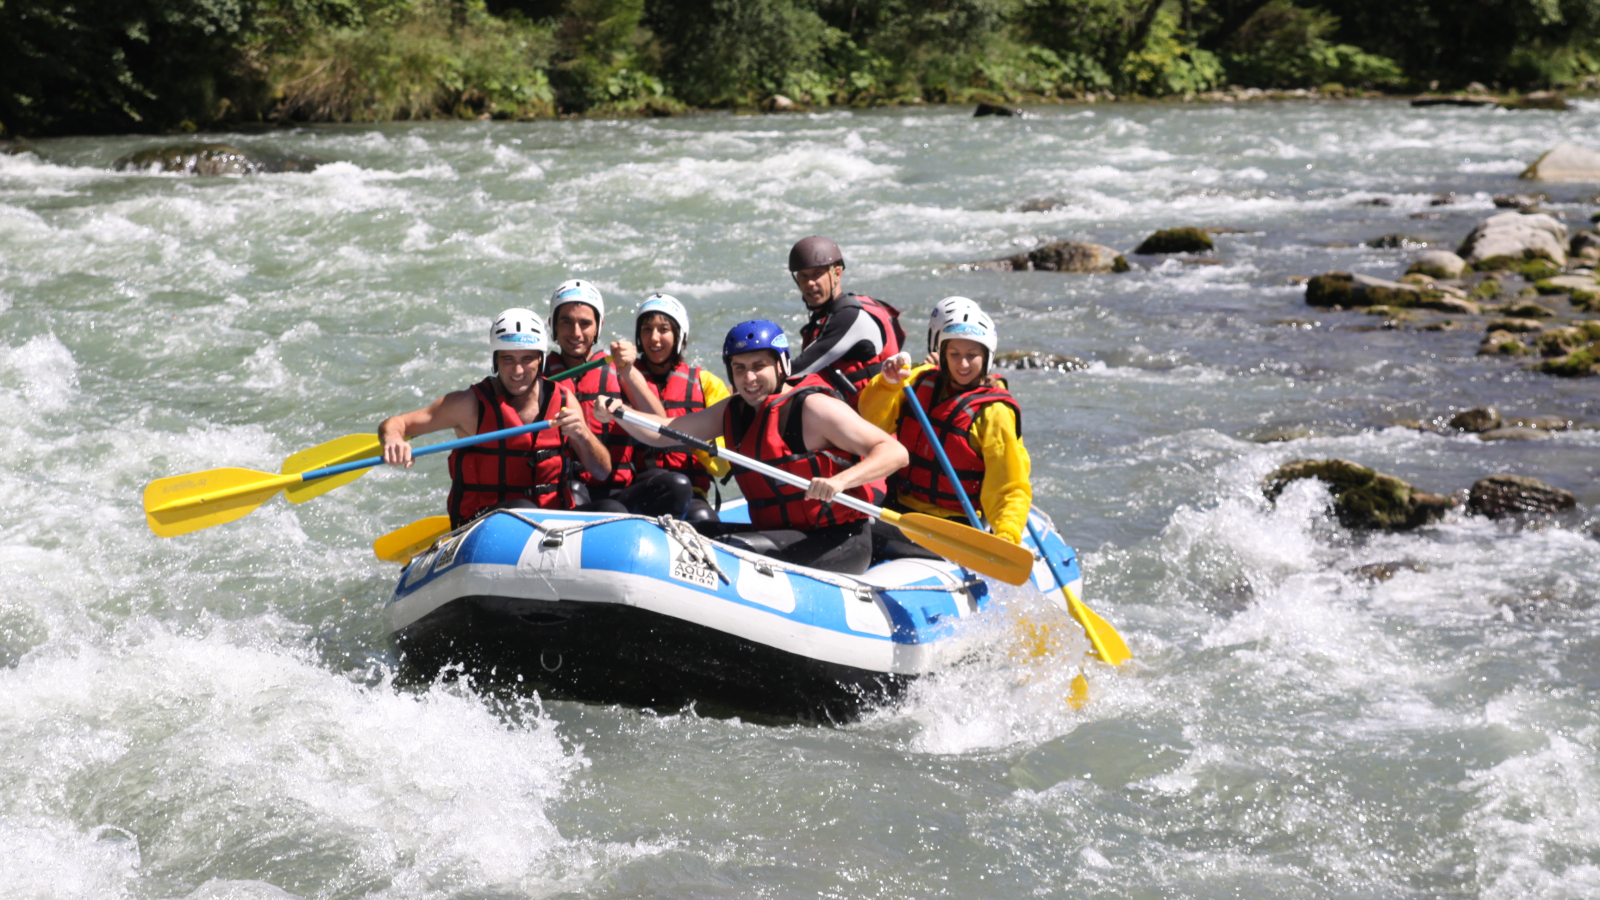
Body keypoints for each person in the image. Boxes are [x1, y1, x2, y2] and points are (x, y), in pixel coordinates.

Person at [595, 319, 908, 575]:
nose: (750, 377)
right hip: (781, 534)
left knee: (727, 549)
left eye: (759, 365)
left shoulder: (812, 408)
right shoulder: (733, 410)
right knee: (690, 534)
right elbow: (665, 434)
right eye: (740, 368)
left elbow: (894, 452)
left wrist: (840, 482)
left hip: (838, 542)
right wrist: (619, 411)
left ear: (782, 365)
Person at [378, 308, 612, 527]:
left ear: (540, 359)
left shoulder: (563, 400)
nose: (518, 371)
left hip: (552, 526)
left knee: (612, 508)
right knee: (522, 509)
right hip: (485, 527)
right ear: (495, 360)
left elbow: (602, 472)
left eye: (527, 359)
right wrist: (393, 440)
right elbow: (396, 424)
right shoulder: (468, 405)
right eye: (508, 359)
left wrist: (583, 435)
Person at [857, 298, 1032, 561]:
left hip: (952, 527)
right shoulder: (918, 380)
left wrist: (1005, 536)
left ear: (987, 357)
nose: (962, 364)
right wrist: (887, 383)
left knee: (858, 534)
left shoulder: (995, 413)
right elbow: (871, 421)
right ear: (943, 354)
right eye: (954, 354)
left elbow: (1009, 486)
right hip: (899, 507)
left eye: (972, 355)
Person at [544, 279, 690, 518]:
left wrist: (628, 371)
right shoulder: (540, 375)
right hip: (568, 488)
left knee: (677, 486)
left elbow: (662, 429)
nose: (576, 332)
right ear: (553, 325)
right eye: (566, 322)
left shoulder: (617, 370)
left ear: (599, 326)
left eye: (585, 323)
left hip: (620, 490)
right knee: (590, 498)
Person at [631, 293, 732, 525]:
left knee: (704, 518)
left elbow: (722, 467)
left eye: (664, 329)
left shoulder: (707, 384)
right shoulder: (623, 377)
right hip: (639, 490)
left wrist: (694, 437)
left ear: (680, 336)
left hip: (690, 493)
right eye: (646, 329)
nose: (654, 338)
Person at [786, 235, 906, 404]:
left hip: (872, 420)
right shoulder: (829, 314)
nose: (809, 283)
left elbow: (798, 371)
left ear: (837, 273)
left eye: (817, 274)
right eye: (803, 276)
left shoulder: (849, 316)